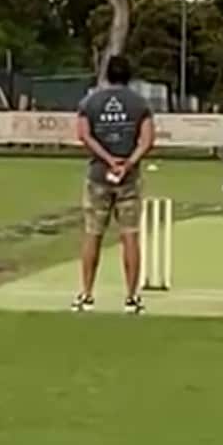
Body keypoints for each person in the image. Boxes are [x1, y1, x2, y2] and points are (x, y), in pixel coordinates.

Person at [73, 56, 156, 315]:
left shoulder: (90, 102)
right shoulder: (139, 103)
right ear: (129, 76)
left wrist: (108, 160)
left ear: (107, 75)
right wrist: (127, 163)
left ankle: (86, 295)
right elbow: (148, 140)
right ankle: (131, 298)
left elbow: (83, 135)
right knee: (130, 235)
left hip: (98, 175)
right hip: (128, 179)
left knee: (93, 234)